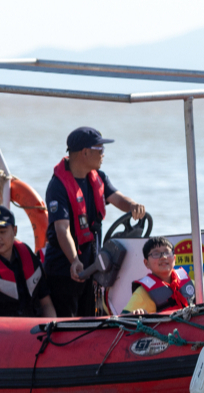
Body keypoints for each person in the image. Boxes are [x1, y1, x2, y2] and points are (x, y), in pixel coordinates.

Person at [43, 126, 146, 317]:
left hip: (91, 267)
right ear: (85, 152)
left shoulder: (99, 177)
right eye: (100, 149)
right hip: (64, 270)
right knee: (68, 324)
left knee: (90, 318)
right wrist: (74, 260)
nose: (103, 155)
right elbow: (62, 229)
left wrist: (133, 206)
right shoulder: (57, 186)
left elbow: (118, 198)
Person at [0, 206, 57, 318]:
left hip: (36, 330)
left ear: (15, 230)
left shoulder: (28, 255)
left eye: (2, 231)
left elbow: (46, 303)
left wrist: (49, 327)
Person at [123, 237, 196, 313]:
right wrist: (135, 314)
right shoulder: (142, 293)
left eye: (167, 252)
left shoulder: (192, 284)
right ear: (146, 263)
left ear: (174, 259)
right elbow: (121, 319)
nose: (163, 257)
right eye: (156, 254)